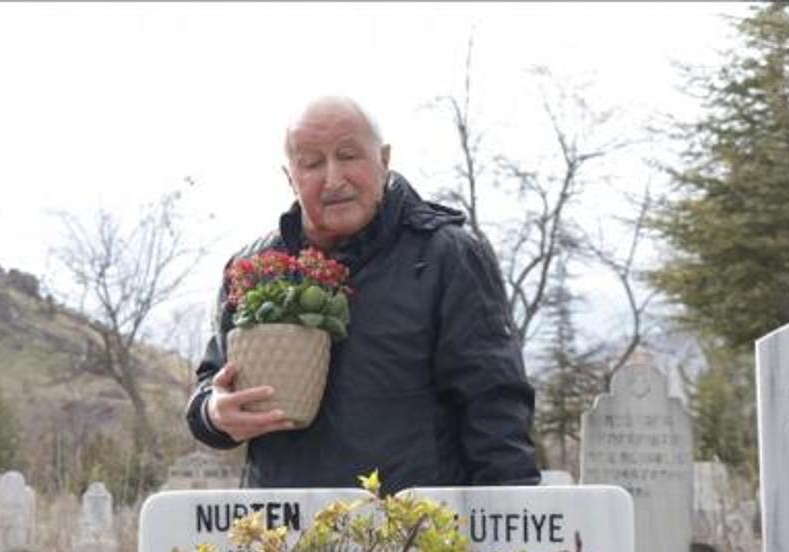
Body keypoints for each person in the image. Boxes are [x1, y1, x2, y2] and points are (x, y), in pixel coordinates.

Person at [186, 96, 539, 492]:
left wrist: (514, 516)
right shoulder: (254, 268)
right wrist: (212, 413)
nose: (333, 179)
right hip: (283, 525)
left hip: (413, 523)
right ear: (290, 177)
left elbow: (495, 406)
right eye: (312, 163)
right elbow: (211, 386)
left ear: (383, 159)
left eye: (348, 155)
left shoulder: (446, 256)